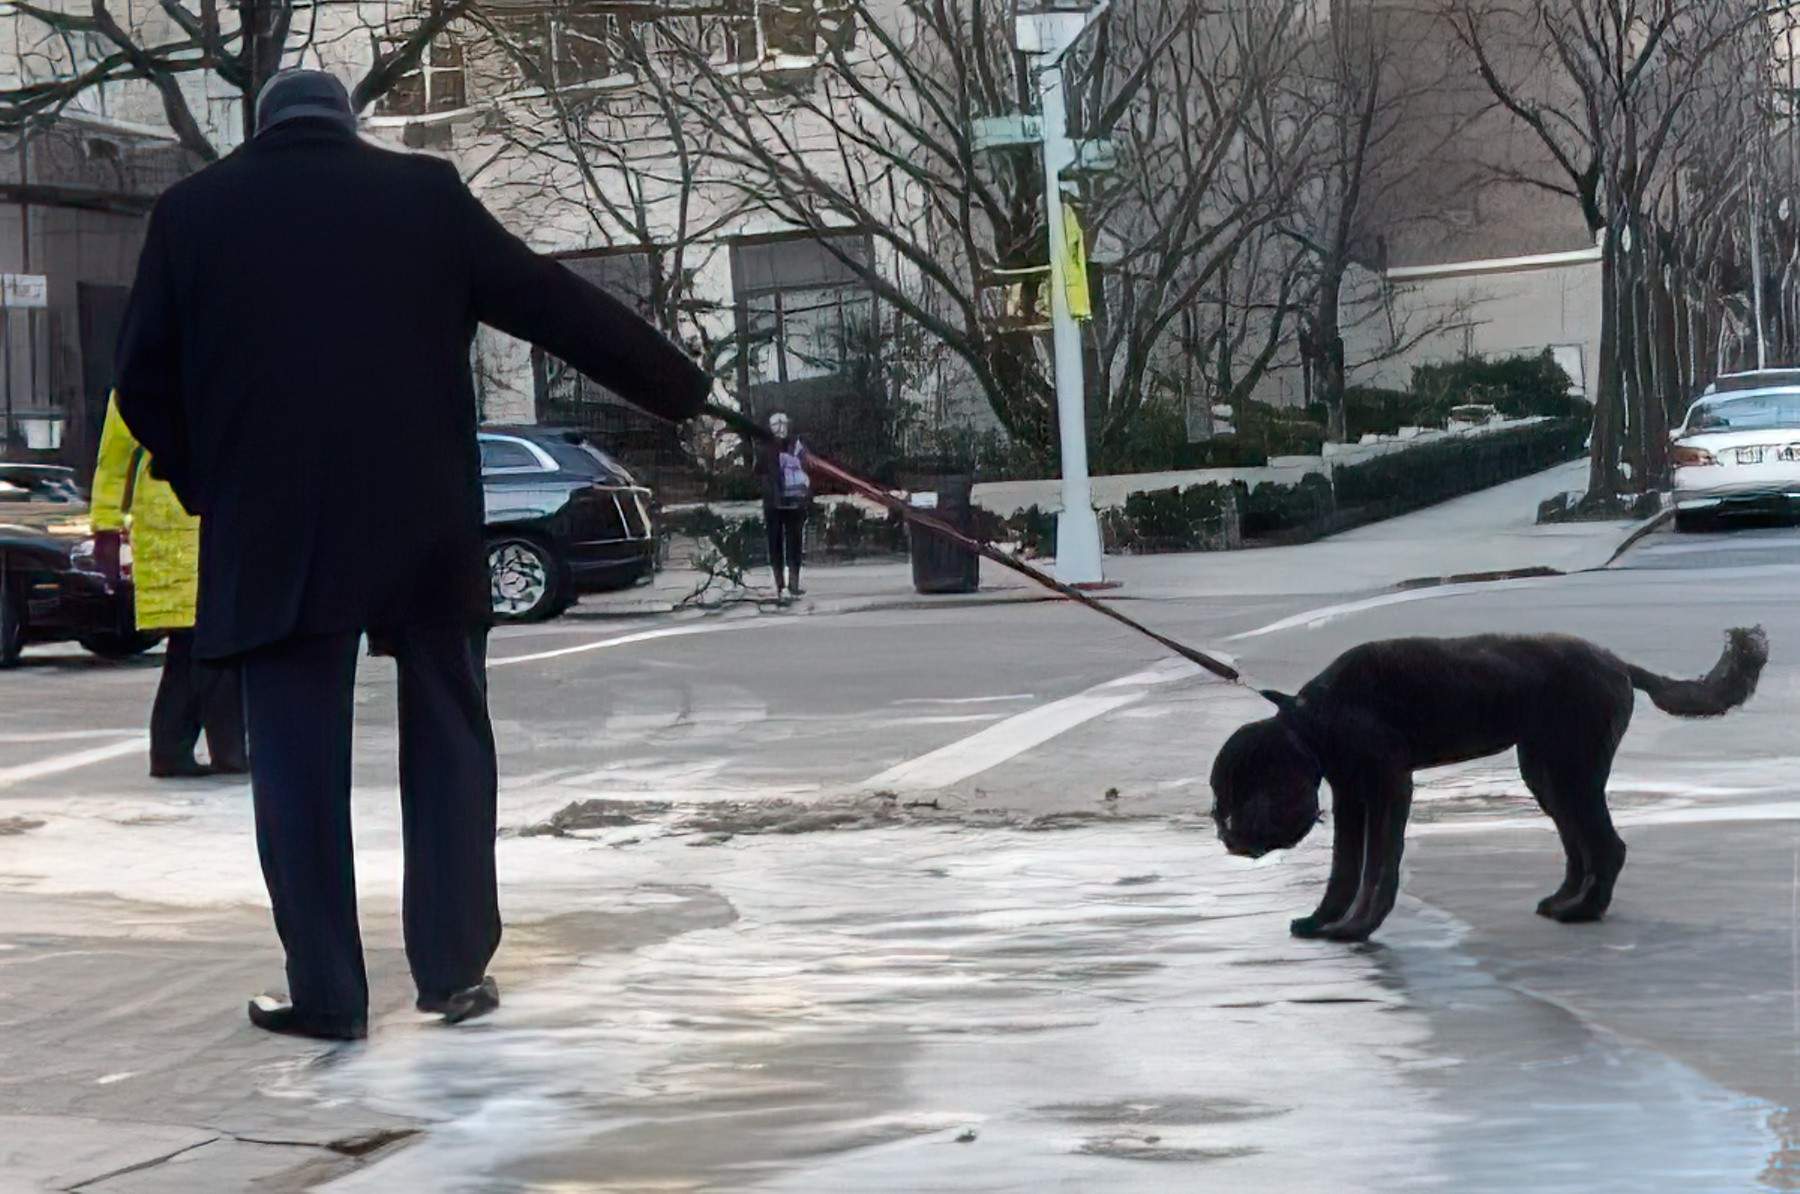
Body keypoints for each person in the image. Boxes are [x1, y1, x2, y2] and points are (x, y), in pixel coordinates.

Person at [114, 70, 709, 1041]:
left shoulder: (193, 213)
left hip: (274, 526)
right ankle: (454, 970)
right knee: (449, 733)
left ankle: (329, 994)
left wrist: (209, 480)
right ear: (348, 122)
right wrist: (682, 389)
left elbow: (140, 382)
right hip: (419, 512)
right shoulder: (423, 195)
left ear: (263, 127)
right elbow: (553, 302)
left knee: (296, 758)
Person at [91, 390, 247, 779]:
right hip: (175, 528)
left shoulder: (157, 374)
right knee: (208, 646)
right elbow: (114, 461)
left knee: (196, 647)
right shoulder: (142, 382)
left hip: (203, 522)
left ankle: (178, 749)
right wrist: (106, 527)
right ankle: (219, 751)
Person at [759, 411, 811, 601]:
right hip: (776, 504)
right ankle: (781, 585)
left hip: (793, 503)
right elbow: (763, 475)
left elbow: (806, 470)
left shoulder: (797, 447)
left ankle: (792, 584)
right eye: (776, 425)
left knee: (793, 544)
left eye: (783, 424)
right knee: (777, 545)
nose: (781, 429)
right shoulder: (767, 450)